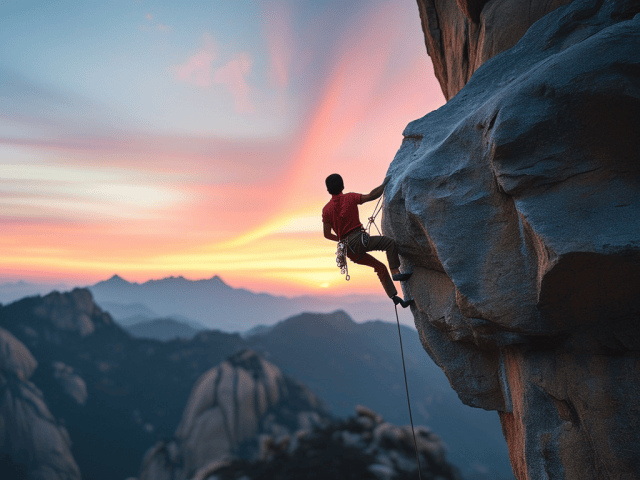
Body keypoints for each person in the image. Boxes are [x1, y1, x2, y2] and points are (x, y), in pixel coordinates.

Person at [322, 173, 413, 308]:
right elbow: (371, 196)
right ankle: (395, 272)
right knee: (389, 243)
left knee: (379, 267)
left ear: (328, 190)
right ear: (342, 186)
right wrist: (385, 184)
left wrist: (342, 239)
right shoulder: (350, 197)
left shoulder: (326, 210)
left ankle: (394, 297)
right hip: (359, 240)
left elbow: (327, 234)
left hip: (349, 251)